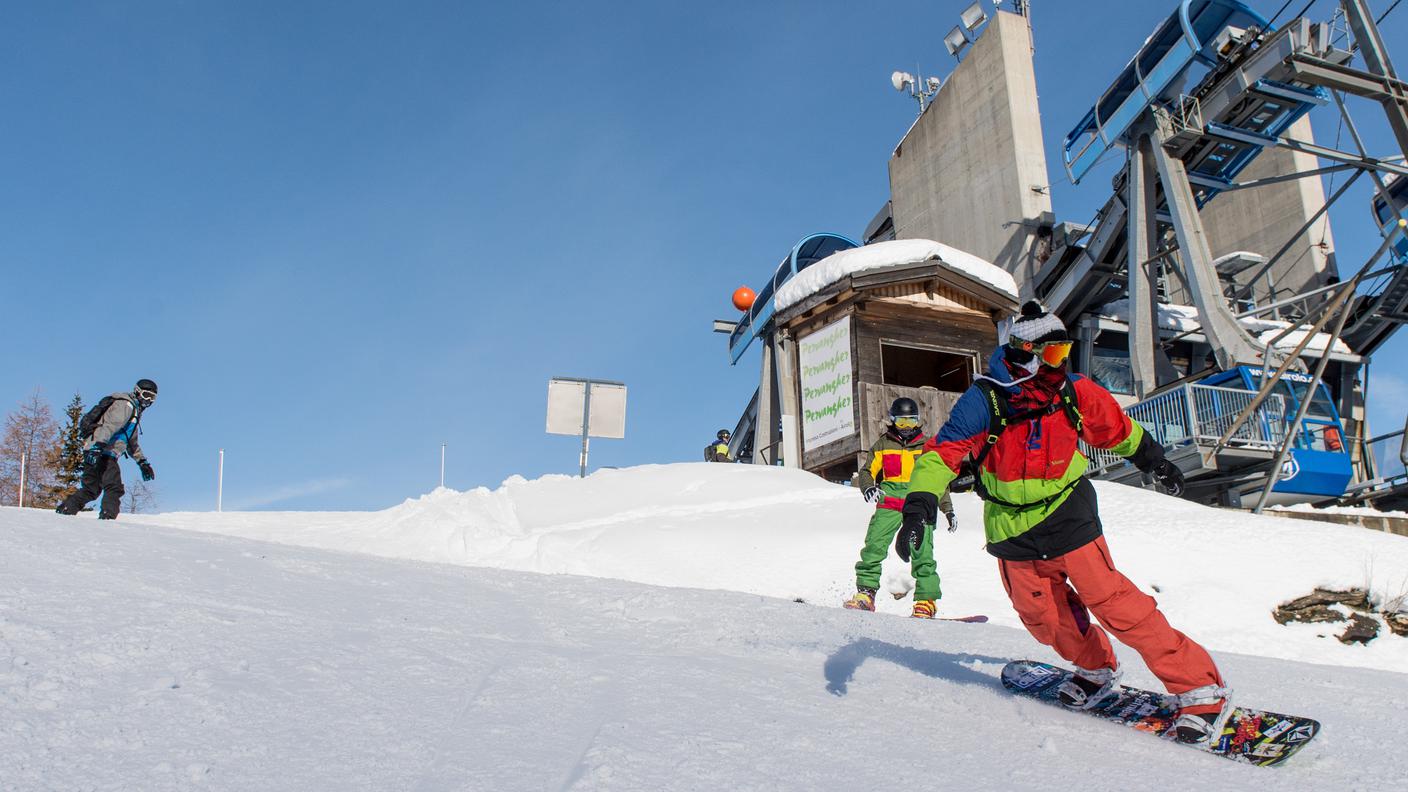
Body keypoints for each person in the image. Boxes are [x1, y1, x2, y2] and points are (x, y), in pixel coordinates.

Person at [899, 301, 1228, 745]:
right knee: (1042, 617)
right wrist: (918, 506)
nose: (1061, 364)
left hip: (1067, 510)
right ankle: (1096, 668)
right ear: (1023, 352)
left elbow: (1117, 430)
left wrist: (1156, 461)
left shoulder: (1073, 392)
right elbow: (944, 453)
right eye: (1051, 355)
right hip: (1011, 526)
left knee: (1115, 605)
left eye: (1064, 353)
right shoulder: (986, 398)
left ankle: (1199, 689)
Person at [842, 397, 956, 618]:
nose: (906, 428)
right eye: (902, 422)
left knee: (922, 551)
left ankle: (926, 600)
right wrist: (868, 488)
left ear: (918, 421)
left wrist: (947, 509)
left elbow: (937, 480)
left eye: (911, 422)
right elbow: (867, 472)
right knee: (874, 546)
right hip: (890, 503)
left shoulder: (927, 445)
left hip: (919, 504)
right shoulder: (883, 444)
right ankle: (866, 594)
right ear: (892, 420)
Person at [56, 379, 158, 520]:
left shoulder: (134, 413)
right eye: (146, 395)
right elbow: (109, 426)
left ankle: (66, 510)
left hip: (97, 449)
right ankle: (107, 518)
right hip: (103, 451)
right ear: (137, 392)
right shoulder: (126, 405)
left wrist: (142, 463)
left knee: (91, 489)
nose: (148, 400)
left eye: (152, 397)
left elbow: (131, 443)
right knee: (114, 487)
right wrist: (97, 446)